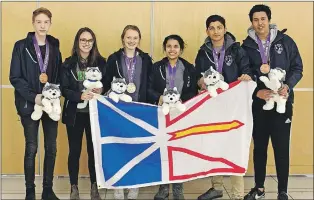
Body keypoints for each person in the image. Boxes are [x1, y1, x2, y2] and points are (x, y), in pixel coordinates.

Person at [241, 4, 303, 200]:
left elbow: (297, 68)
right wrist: (256, 93)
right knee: (259, 148)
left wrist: (288, 86)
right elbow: (245, 73)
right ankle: (259, 189)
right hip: (259, 105)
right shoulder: (246, 47)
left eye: (263, 19)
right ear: (251, 22)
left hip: (282, 103)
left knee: (281, 148)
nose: (260, 23)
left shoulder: (285, 41)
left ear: (269, 20)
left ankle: (282, 190)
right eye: (255, 20)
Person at [195, 15, 252, 200]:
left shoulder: (237, 49)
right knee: (214, 146)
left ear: (225, 29)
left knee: (235, 148)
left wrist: (246, 76)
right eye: (212, 28)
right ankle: (217, 187)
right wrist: (201, 82)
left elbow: (247, 70)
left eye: (219, 27)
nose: (216, 31)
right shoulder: (202, 52)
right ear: (207, 31)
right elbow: (197, 76)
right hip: (212, 107)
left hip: (234, 107)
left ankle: (237, 194)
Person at [9, 7, 62, 200]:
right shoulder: (21, 46)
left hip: (50, 104)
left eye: (46, 22)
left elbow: (59, 76)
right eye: (38, 22)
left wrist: (52, 95)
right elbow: (15, 77)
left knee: (52, 147)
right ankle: (30, 191)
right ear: (33, 23)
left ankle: (47, 190)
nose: (42, 25)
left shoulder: (54, 47)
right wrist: (35, 97)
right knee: (31, 147)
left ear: (50, 23)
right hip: (30, 103)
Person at [103, 25, 153, 200]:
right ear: (122, 38)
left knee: (137, 149)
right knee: (119, 147)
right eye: (128, 37)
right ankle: (118, 186)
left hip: (139, 110)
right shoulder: (113, 59)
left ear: (139, 40)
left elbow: (149, 84)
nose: (131, 41)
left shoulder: (146, 59)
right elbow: (106, 82)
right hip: (119, 110)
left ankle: (134, 186)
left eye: (135, 38)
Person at [147, 34, 198, 200]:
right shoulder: (156, 67)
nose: (172, 49)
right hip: (162, 113)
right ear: (164, 48)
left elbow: (193, 91)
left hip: (181, 114)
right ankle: (163, 188)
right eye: (169, 46)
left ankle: (178, 189)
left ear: (181, 49)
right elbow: (148, 89)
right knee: (163, 151)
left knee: (178, 153)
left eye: (176, 46)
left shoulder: (189, 68)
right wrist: (160, 98)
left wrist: (183, 101)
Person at [60, 27, 105, 200]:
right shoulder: (68, 63)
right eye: (83, 40)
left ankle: (95, 187)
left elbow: (108, 84)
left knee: (94, 151)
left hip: (95, 114)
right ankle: (74, 187)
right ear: (77, 42)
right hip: (74, 114)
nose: (86, 43)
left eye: (89, 40)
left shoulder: (102, 62)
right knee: (75, 151)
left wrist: (102, 89)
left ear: (93, 43)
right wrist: (79, 95)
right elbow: (64, 89)